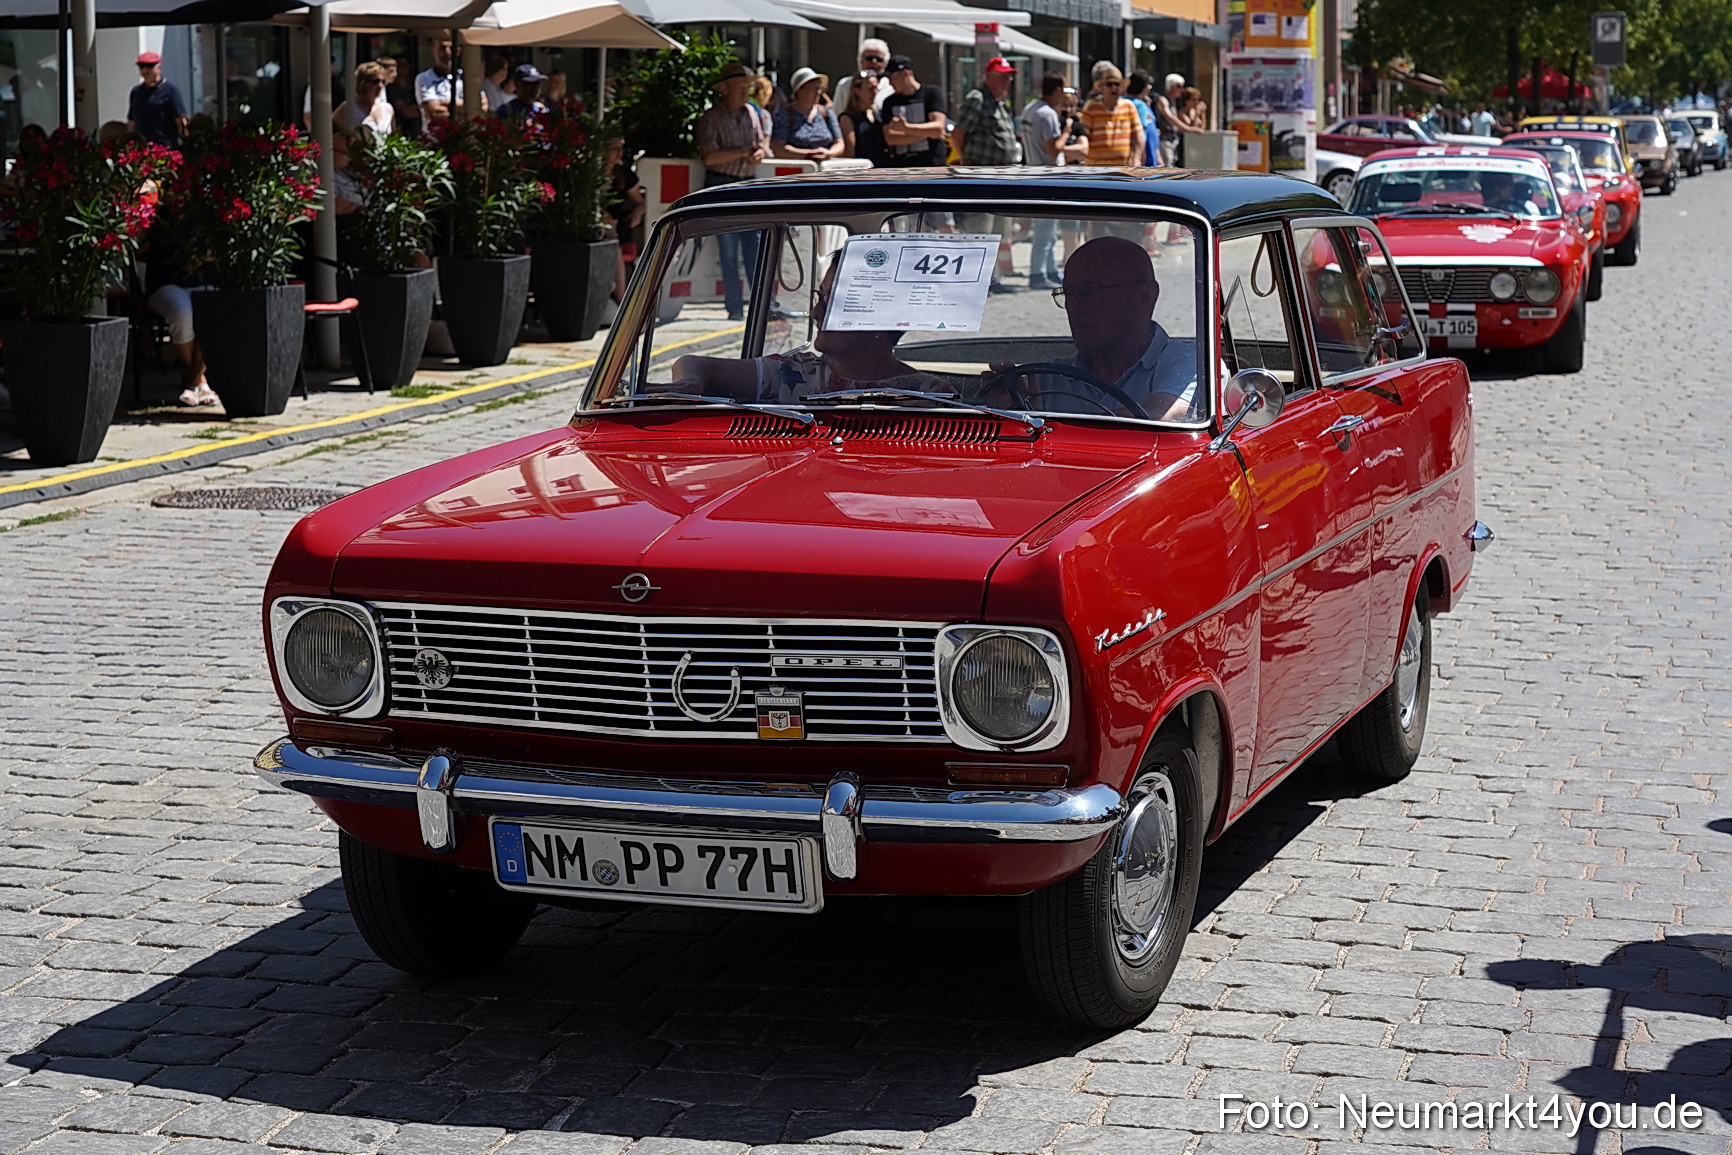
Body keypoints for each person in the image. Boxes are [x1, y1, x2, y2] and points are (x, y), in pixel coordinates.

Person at [666, 260, 943, 403]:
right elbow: (696, 363)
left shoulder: (928, 394)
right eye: (819, 297)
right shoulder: (798, 373)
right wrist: (689, 382)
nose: (815, 313)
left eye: (832, 300)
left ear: (884, 314)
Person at [1019, 236, 1200, 420]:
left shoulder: (1190, 362)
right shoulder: (1045, 379)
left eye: (1090, 291)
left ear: (1144, 297)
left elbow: (1162, 415)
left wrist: (1047, 425)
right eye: (1068, 293)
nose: (1074, 306)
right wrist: (1006, 411)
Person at [696, 60, 770, 320]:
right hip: (721, 186)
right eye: (741, 88)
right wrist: (742, 152)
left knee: (755, 247)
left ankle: (762, 306)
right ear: (725, 89)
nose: (745, 93)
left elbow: (761, 146)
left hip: (746, 185)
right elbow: (709, 158)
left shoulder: (752, 113)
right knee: (728, 252)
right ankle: (735, 307)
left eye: (748, 88)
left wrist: (757, 153)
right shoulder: (711, 118)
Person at [1020, 74, 1086, 289]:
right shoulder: (1047, 114)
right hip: (1048, 176)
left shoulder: (1030, 108)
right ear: (1057, 89)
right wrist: (1066, 132)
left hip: (1033, 171)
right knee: (1045, 231)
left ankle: (1050, 271)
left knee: (1047, 229)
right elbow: (1052, 150)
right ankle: (1037, 274)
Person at [880, 56, 948, 167]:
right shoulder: (889, 102)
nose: (890, 83)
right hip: (902, 169)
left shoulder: (932, 94)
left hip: (933, 167)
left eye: (891, 77)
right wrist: (927, 132)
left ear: (905, 73)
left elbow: (938, 128)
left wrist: (905, 128)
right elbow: (890, 138)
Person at [951, 57, 1019, 166]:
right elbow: (957, 134)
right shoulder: (977, 98)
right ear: (988, 76)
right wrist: (966, 160)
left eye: (1009, 78)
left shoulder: (999, 103)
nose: (1007, 82)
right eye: (1003, 77)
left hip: (1004, 170)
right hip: (983, 171)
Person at [771, 68, 844, 162]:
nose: (818, 93)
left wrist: (828, 153)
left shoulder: (826, 113)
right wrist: (809, 154)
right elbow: (778, 148)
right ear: (799, 90)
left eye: (819, 89)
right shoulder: (784, 114)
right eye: (814, 89)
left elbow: (839, 143)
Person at [1079, 63, 1145, 167]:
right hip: (1095, 169)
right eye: (1109, 84)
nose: (1114, 87)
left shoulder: (1129, 106)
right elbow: (1083, 136)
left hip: (1123, 169)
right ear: (1102, 88)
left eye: (1117, 84)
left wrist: (1137, 159)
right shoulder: (1091, 107)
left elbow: (1139, 136)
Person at [127, 51, 188, 149]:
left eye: (149, 66)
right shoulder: (136, 92)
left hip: (165, 149)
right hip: (141, 150)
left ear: (159, 67)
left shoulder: (170, 90)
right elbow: (132, 122)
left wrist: (186, 145)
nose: (145, 70)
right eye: (142, 66)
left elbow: (180, 120)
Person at [415, 32, 463, 135]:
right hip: (433, 141)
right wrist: (463, 108)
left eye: (451, 48)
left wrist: (442, 103)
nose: (447, 53)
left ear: (458, 51)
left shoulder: (466, 78)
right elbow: (433, 112)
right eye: (442, 48)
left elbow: (482, 107)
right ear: (433, 51)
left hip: (463, 139)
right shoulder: (424, 78)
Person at [840, 71, 888, 165]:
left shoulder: (877, 115)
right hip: (864, 170)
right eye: (870, 89)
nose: (874, 93)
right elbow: (850, 152)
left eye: (876, 88)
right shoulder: (848, 118)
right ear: (856, 90)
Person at [834, 39, 892, 115]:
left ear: (884, 64)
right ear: (861, 60)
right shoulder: (845, 84)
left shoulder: (889, 87)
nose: (873, 62)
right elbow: (836, 112)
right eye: (869, 58)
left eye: (879, 59)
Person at [335, 63, 394, 136]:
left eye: (383, 81)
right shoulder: (348, 108)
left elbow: (394, 137)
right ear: (362, 83)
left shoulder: (387, 109)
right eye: (375, 81)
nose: (380, 86)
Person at [1149, 72, 1190, 167]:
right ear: (1171, 87)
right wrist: (1188, 129)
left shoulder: (1173, 102)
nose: (1182, 90)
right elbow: (1170, 118)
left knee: (1172, 165)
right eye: (1179, 86)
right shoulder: (1163, 100)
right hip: (1164, 140)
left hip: (1173, 140)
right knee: (1166, 167)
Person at [1124, 72, 1159, 165]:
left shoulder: (1123, 101)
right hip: (1143, 159)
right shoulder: (1139, 105)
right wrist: (1139, 158)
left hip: (1149, 155)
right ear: (1145, 87)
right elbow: (1140, 133)